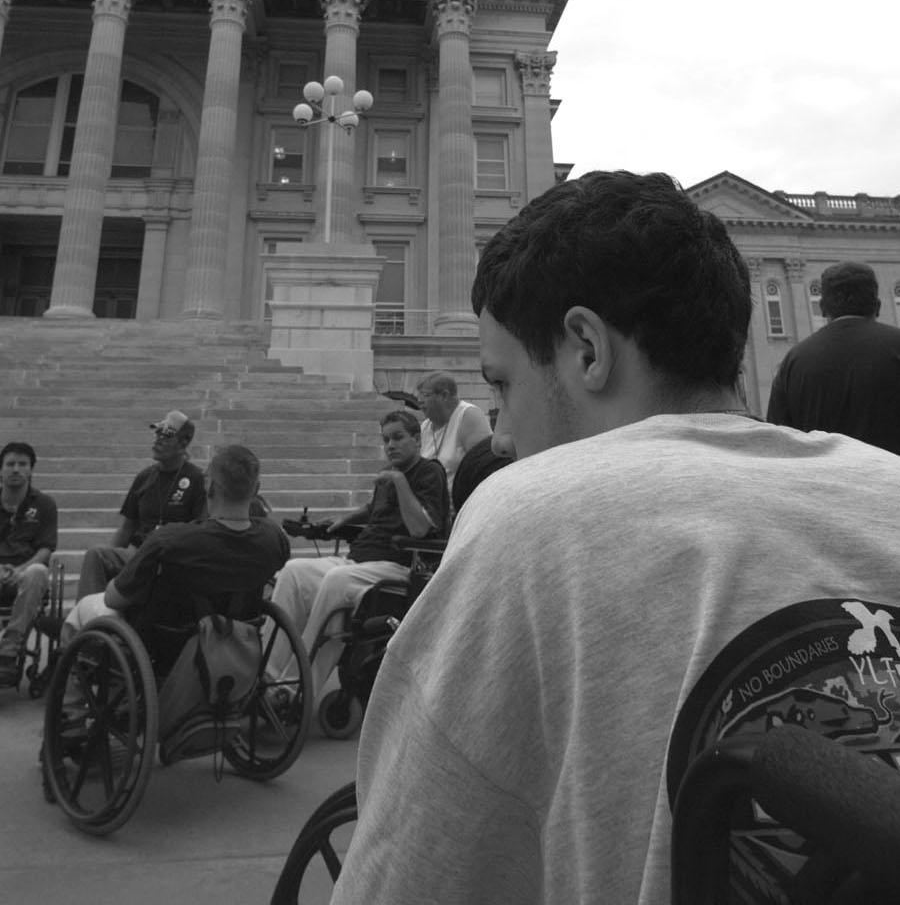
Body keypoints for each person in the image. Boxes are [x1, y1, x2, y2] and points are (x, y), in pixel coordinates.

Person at [332, 170, 900, 905]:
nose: (499, 437)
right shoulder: (887, 483)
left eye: (502, 387)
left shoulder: (529, 518)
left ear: (587, 351)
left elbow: (405, 878)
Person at [270, 409, 448, 700]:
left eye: (398, 438)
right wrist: (345, 519)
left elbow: (419, 528)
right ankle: (267, 674)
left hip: (399, 564)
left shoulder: (430, 472)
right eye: (386, 439)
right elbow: (374, 510)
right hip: (361, 560)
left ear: (417, 440)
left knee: (338, 580)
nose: (390, 445)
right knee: (294, 571)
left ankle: (295, 690)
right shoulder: (389, 477)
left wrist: (400, 481)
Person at [63, 444, 288, 645]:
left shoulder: (169, 540)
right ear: (256, 489)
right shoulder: (274, 538)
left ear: (208, 486)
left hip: (167, 644)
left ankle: (76, 672)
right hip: (238, 637)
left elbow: (114, 598)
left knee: (86, 607)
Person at [766, 260, 900, 454]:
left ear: (822, 308)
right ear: (877, 306)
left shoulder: (793, 362)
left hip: (824, 482)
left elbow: (778, 444)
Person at [75, 409, 207, 600]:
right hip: (137, 553)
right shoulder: (145, 477)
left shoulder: (196, 479)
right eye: (158, 432)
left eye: (167, 435)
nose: (158, 439)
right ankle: (87, 619)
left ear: (184, 443)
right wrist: (113, 556)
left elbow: (201, 528)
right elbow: (127, 527)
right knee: (97, 555)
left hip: (169, 556)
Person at [0, 442, 57, 686]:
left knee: (38, 571)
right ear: (0, 470)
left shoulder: (44, 504)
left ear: (31, 470)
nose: (16, 469)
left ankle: (8, 651)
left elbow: (46, 549)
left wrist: (20, 570)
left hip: (27, 576)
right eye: (10, 464)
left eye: (22, 464)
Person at [416, 372, 492, 492]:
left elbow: (484, 470)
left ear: (444, 395)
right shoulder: (425, 427)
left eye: (425, 395)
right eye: (418, 395)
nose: (419, 401)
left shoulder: (468, 416)